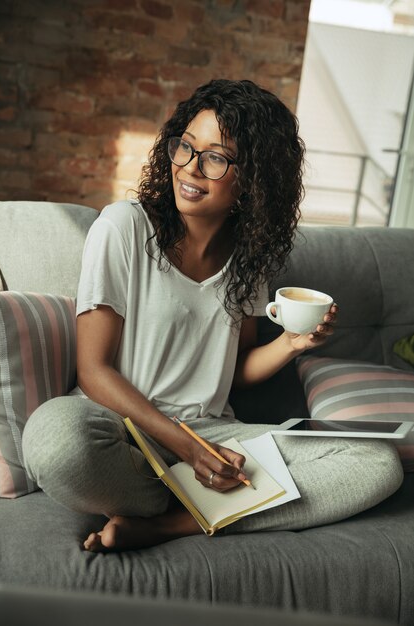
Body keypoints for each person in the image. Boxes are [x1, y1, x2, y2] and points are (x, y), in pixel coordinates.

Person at [22, 79, 403, 552]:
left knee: (376, 464)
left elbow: (233, 373)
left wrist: (291, 343)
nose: (191, 167)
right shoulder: (123, 227)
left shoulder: (250, 257)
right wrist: (188, 449)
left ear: (254, 180)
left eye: (216, 157)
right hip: (120, 427)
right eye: (186, 146)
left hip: (214, 431)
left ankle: (166, 524)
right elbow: (94, 371)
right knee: (54, 442)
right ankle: (215, 498)